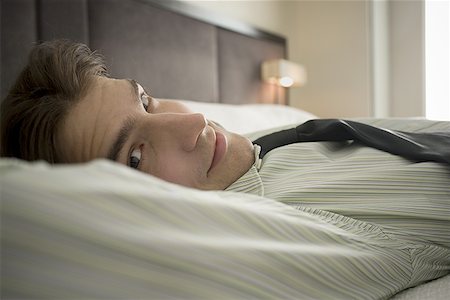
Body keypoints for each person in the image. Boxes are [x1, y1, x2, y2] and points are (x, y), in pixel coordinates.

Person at [1, 40, 449, 298]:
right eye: (135, 157)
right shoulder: (249, 228)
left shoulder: (274, 139)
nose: (194, 122)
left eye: (145, 101)